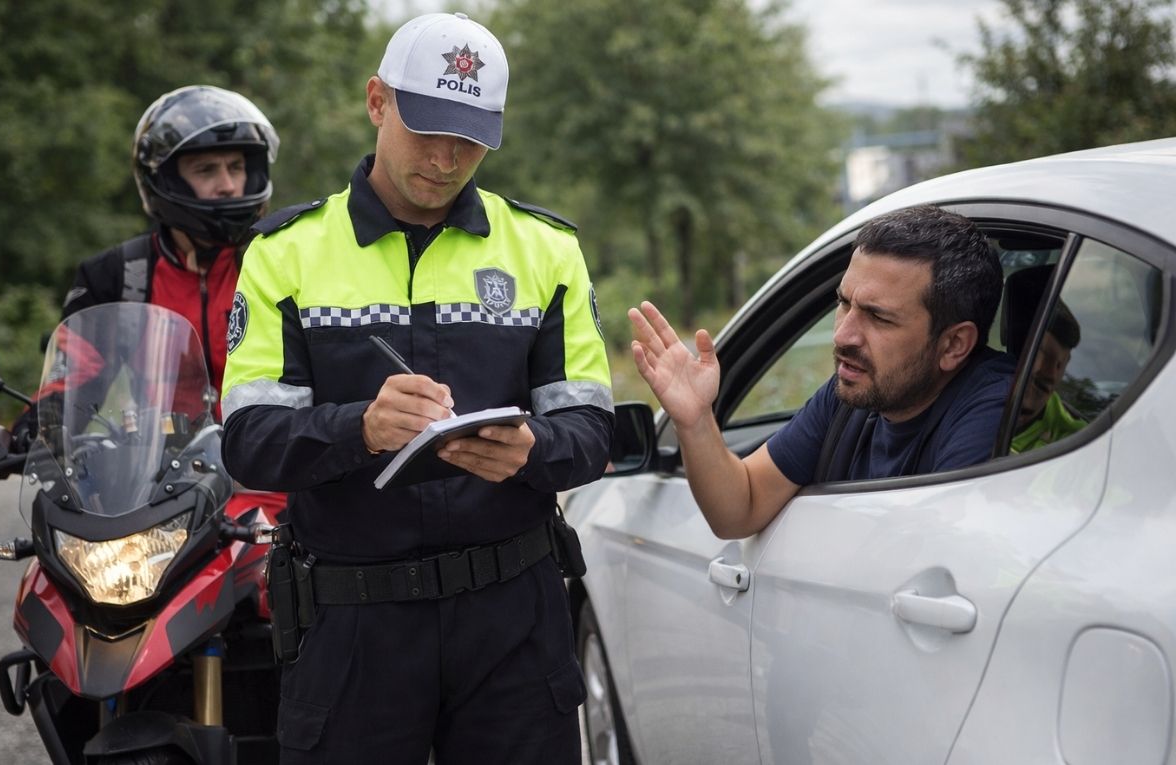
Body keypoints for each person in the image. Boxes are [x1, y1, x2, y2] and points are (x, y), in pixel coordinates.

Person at [219, 12, 613, 764]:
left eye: (470, 138)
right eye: (427, 127)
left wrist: (532, 450)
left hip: (513, 620)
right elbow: (249, 440)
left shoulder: (548, 249)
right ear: (377, 101)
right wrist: (359, 428)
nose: (445, 157)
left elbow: (591, 430)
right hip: (352, 623)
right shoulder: (284, 253)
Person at [630, 204, 1014, 539]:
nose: (843, 335)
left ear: (953, 344)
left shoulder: (995, 408)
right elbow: (741, 507)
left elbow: (942, 548)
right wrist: (696, 419)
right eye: (844, 304)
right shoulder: (852, 394)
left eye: (879, 317)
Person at [60, 84, 280, 421]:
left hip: (264, 449)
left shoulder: (275, 263)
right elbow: (69, 384)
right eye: (206, 170)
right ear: (164, 180)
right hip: (160, 452)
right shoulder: (118, 275)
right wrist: (31, 431)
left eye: (236, 167)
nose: (228, 185)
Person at [1011, 299, 1086, 452]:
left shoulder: (1076, 439)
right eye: (1040, 351)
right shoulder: (974, 397)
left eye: (1060, 365)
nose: (1052, 374)